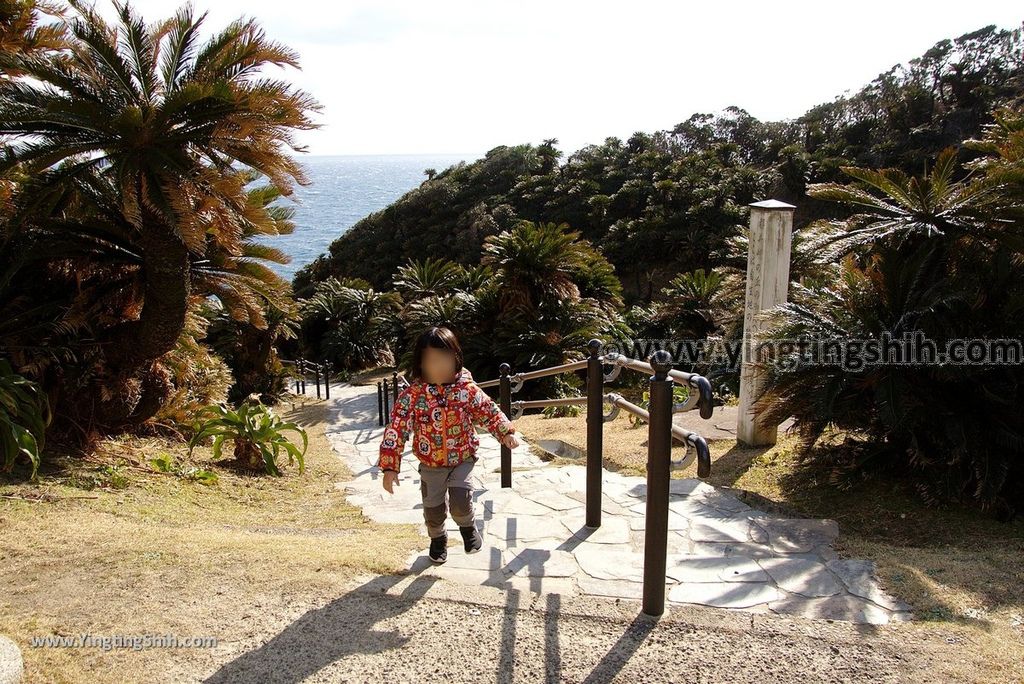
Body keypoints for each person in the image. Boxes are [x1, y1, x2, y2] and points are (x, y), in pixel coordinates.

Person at [377, 326, 520, 563]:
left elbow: (489, 410)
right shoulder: (413, 395)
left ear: (457, 359)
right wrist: (390, 467)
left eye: (445, 359)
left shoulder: (467, 390)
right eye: (432, 360)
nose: (440, 366)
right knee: (433, 510)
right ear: (420, 364)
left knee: (461, 500)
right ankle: (438, 539)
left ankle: (467, 528)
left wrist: (506, 432)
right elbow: (397, 428)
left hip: (462, 458)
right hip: (430, 463)